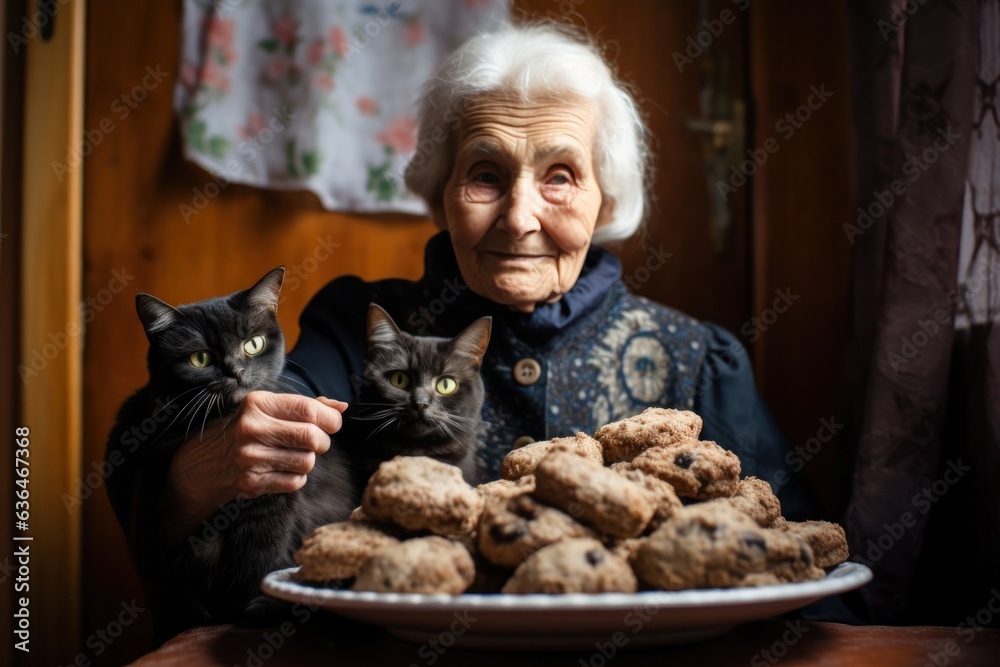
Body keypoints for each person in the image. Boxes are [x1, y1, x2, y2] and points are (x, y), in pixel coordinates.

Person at [110, 23, 821, 638]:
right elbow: (258, 428)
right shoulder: (356, 327)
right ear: (441, 190)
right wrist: (200, 470)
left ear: (606, 196)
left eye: (561, 176)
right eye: (485, 174)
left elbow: (797, 569)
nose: (518, 217)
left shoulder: (699, 361)